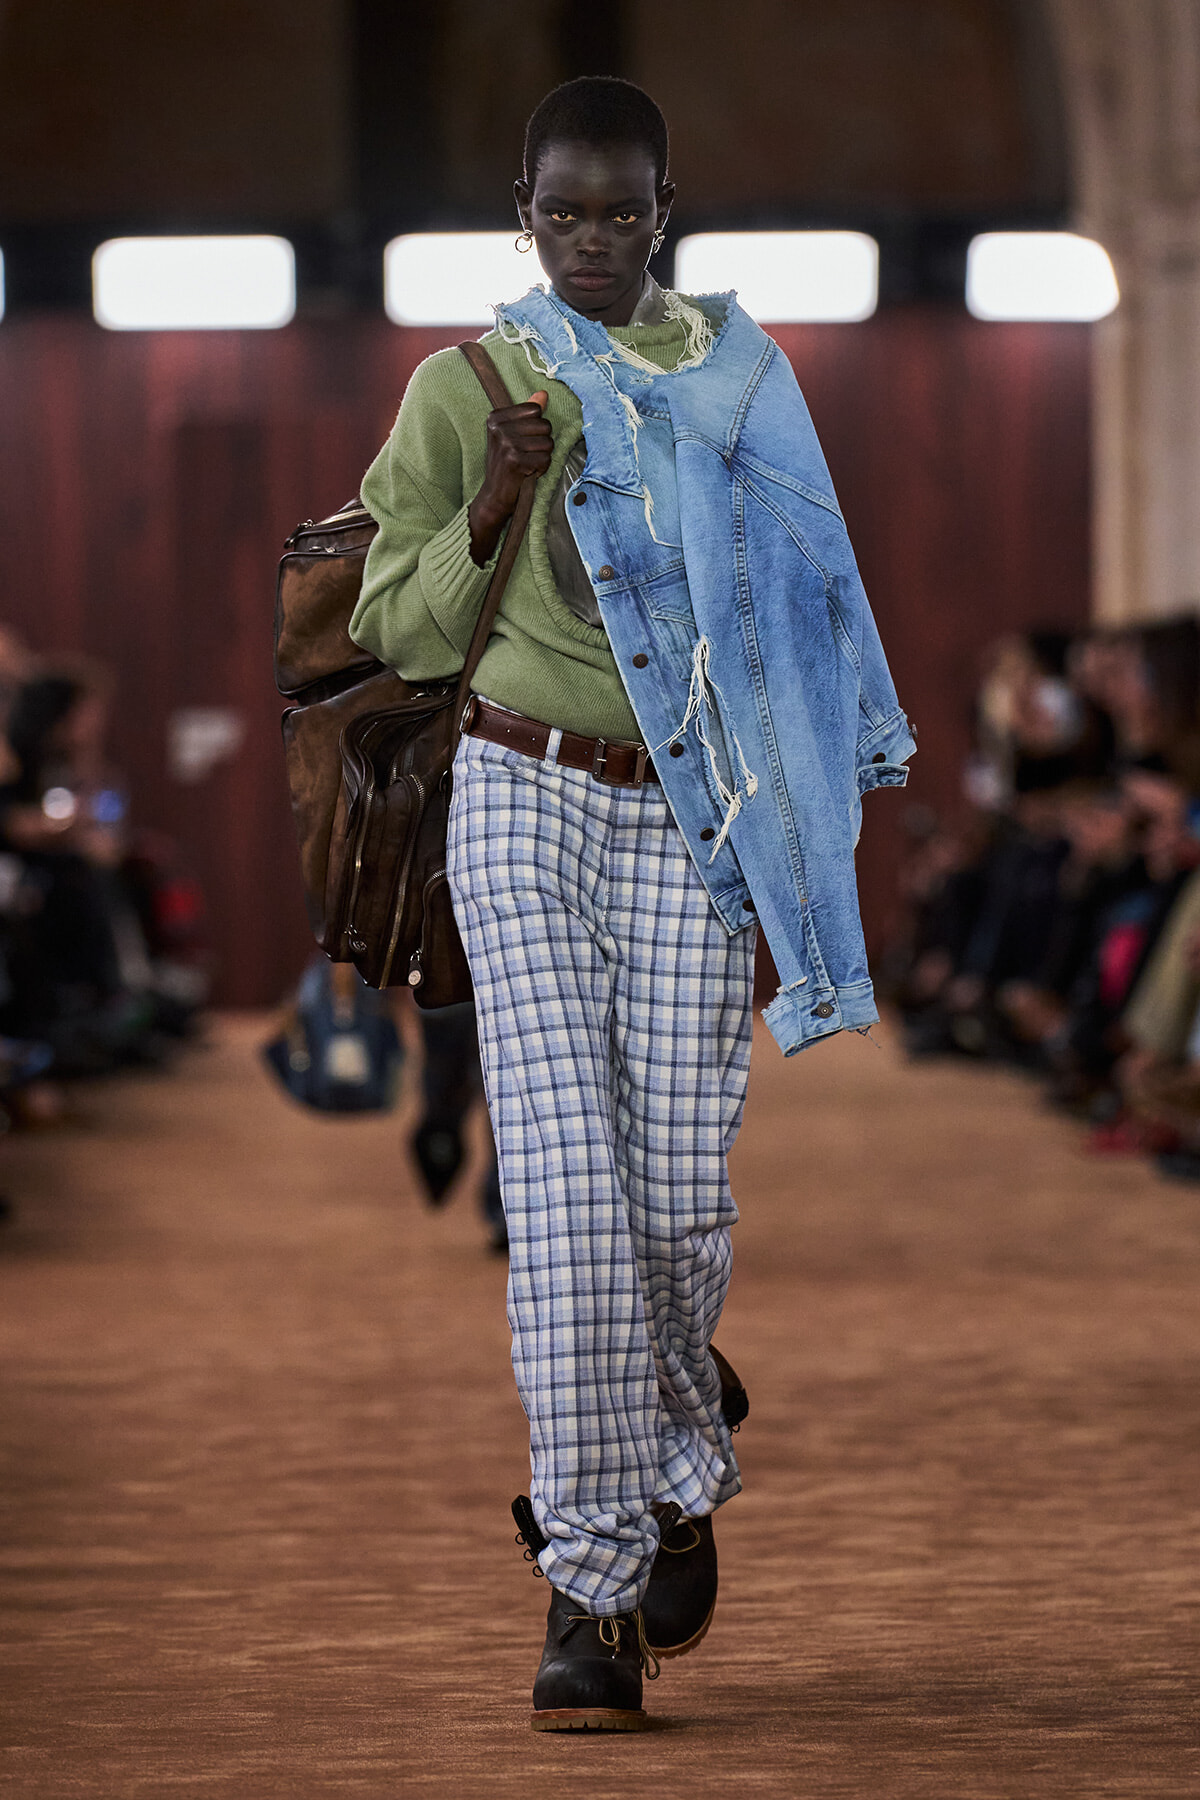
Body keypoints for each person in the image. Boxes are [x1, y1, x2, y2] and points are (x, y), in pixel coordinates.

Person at [350, 76, 913, 1732]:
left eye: (622, 210)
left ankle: (680, 1429)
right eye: (561, 209)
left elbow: (813, 592)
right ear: (518, 211)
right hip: (515, 792)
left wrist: (845, 776)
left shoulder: (743, 380)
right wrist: (493, 502)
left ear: (665, 211)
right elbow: (392, 615)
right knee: (570, 1197)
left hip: (694, 813)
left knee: (676, 1199)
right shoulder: (465, 386)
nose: (591, 237)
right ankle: (588, 1587)